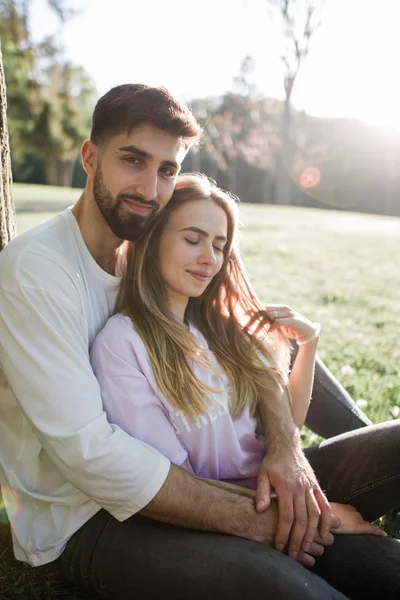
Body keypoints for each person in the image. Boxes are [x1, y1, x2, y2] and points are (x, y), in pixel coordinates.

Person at [0, 83, 397, 599]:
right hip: (92, 518)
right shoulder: (36, 275)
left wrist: (285, 451)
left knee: (380, 564)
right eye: (132, 160)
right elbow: (92, 455)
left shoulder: (143, 245)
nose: (149, 187)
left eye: (167, 170)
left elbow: (251, 346)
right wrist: (283, 521)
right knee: (285, 586)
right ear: (90, 157)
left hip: (233, 483)